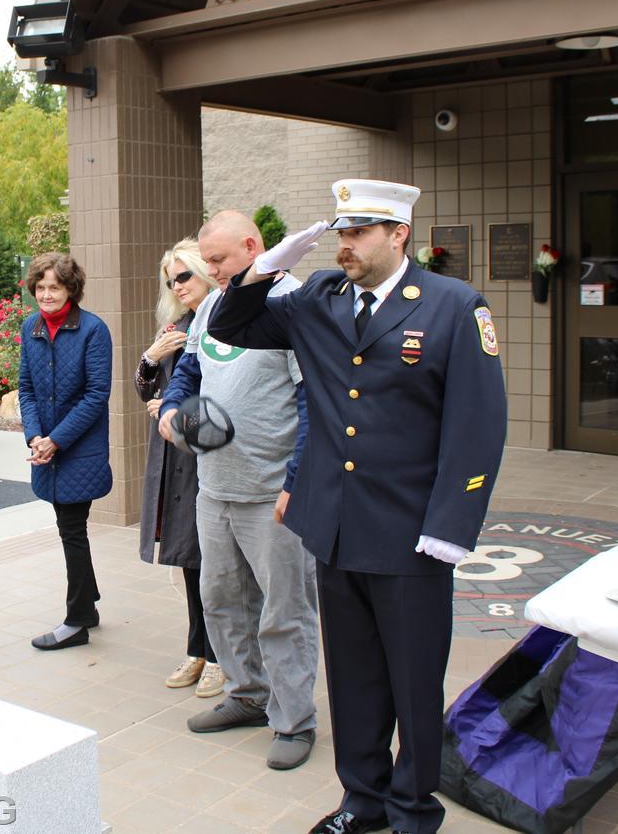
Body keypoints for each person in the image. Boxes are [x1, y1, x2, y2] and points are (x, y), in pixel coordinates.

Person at [209, 180, 508, 834]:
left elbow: (478, 425)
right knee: (354, 681)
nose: (345, 243)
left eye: (360, 232)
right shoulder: (317, 298)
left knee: (412, 687)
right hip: (337, 529)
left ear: (398, 234)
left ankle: (412, 811)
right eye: (341, 231)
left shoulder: (453, 307)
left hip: (410, 535)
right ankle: (361, 802)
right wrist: (267, 268)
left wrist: (453, 526)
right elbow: (228, 323)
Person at [157, 211, 319, 772]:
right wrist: (173, 408)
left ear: (254, 245)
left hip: (270, 491)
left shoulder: (292, 303)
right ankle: (247, 695)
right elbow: (192, 368)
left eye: (220, 260)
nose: (211, 270)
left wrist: (296, 482)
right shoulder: (212, 304)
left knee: (284, 610)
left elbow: (311, 400)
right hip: (215, 486)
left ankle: (294, 719)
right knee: (222, 600)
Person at [135, 239, 225, 698]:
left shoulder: (225, 321)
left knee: (215, 565)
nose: (178, 285)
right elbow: (147, 387)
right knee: (190, 560)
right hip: (176, 460)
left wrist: (174, 410)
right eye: (171, 280)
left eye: (184, 275)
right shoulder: (179, 326)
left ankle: (219, 656)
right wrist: (152, 358)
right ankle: (197, 649)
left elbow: (229, 399)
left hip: (210, 460)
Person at [19, 252, 112, 651]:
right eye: (40, 287)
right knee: (70, 529)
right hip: (46, 449)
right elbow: (25, 387)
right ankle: (87, 607)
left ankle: (77, 622)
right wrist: (35, 437)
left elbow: (96, 395)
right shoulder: (30, 328)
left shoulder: (93, 329)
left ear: (71, 289)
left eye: (54, 287)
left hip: (78, 450)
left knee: (72, 530)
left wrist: (55, 440)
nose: (46, 294)